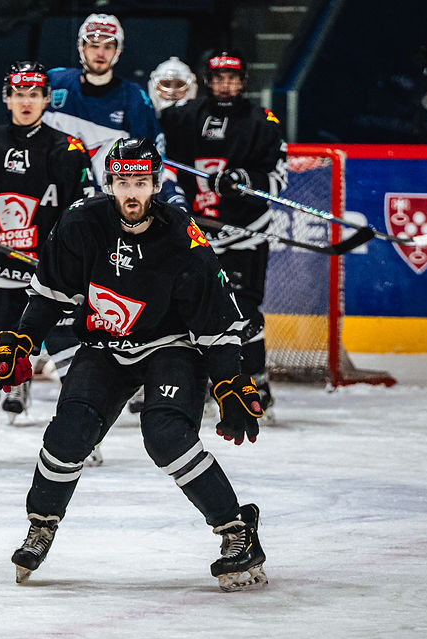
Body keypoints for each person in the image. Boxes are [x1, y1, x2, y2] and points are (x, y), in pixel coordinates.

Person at [0, 137, 269, 592]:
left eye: (141, 182)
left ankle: (237, 529)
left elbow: (215, 318)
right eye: (123, 183)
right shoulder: (81, 222)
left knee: (166, 437)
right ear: (109, 184)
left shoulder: (182, 235)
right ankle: (41, 525)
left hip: (170, 347)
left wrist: (229, 381)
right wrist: (22, 340)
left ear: (155, 184)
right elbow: (50, 295)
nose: (132, 192)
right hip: (105, 346)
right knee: (69, 433)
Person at [0, 60, 95, 463]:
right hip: (0, 272)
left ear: (46, 99)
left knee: (67, 349)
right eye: (18, 94)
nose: (26, 101)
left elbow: (84, 211)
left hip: (52, 276)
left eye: (34, 94)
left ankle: (83, 425)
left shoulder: (68, 149)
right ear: (7, 98)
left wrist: (69, 256)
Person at [159, 49, 289, 420]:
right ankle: (202, 382)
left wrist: (245, 181)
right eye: (219, 78)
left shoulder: (263, 121)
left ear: (243, 81)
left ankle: (257, 381)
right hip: (197, 237)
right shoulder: (183, 117)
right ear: (208, 81)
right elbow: (163, 164)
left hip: (245, 235)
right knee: (189, 313)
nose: (225, 85)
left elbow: (279, 179)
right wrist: (175, 198)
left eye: (232, 78)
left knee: (244, 314)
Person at [42, 13, 186, 208]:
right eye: (94, 45)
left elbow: (155, 160)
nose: (100, 53)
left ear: (118, 50)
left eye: (108, 46)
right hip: (48, 197)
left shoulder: (134, 98)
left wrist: (171, 196)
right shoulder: (54, 82)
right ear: (81, 47)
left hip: (104, 205)